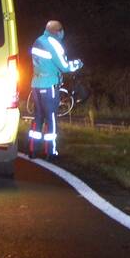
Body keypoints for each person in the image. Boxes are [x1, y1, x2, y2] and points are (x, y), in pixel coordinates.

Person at [29, 20, 82, 160]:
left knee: (38, 117)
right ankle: (50, 152)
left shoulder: (38, 41)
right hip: (49, 85)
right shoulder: (54, 43)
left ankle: (32, 150)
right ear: (58, 31)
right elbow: (64, 66)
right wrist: (77, 64)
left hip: (36, 84)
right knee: (51, 118)